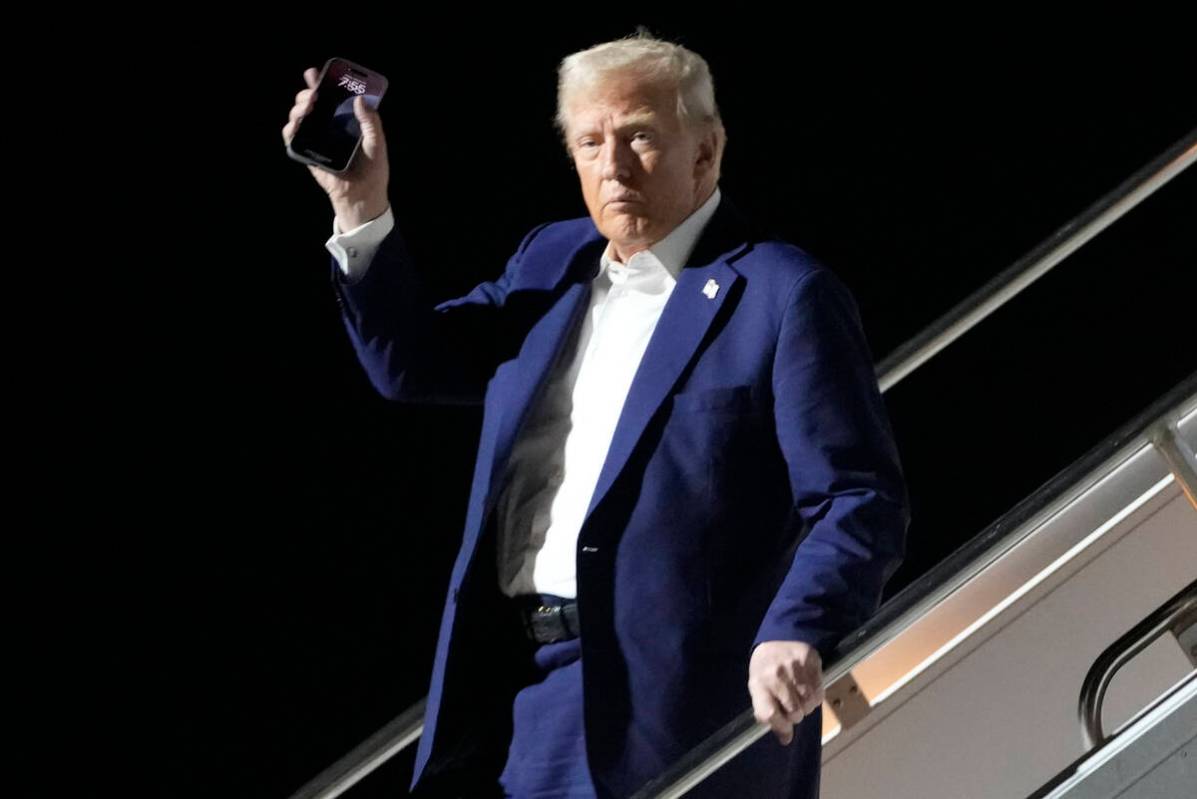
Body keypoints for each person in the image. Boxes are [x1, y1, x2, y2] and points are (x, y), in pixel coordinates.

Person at [282, 33, 909, 799]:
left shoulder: (782, 293)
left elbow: (859, 497)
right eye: (589, 141)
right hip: (516, 697)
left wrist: (795, 626)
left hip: (675, 709)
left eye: (640, 135)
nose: (611, 165)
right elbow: (412, 364)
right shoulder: (552, 261)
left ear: (706, 152)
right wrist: (360, 205)